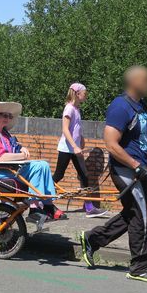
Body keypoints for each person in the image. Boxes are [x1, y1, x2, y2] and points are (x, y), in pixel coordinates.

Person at [79, 66, 147, 283]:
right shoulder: (120, 106)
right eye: (146, 80)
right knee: (144, 214)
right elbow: (111, 143)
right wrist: (136, 165)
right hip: (127, 171)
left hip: (140, 169)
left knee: (133, 213)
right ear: (133, 82)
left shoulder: (140, 105)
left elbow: (141, 136)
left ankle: (92, 239)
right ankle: (140, 266)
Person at [0, 100, 66, 224]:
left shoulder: (3, 132)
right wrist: (22, 156)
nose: (8, 118)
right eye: (4, 115)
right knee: (37, 167)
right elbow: (1, 157)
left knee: (43, 165)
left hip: (6, 169)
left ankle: (47, 204)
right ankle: (34, 208)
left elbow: (13, 147)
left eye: (9, 116)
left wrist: (21, 148)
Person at [52, 83, 108, 218]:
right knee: (58, 175)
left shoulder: (76, 109)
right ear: (77, 93)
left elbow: (74, 128)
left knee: (84, 176)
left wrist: (80, 139)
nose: (86, 96)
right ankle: (41, 199)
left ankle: (89, 208)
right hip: (67, 148)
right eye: (85, 93)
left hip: (74, 149)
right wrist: (75, 146)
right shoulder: (69, 109)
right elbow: (65, 129)